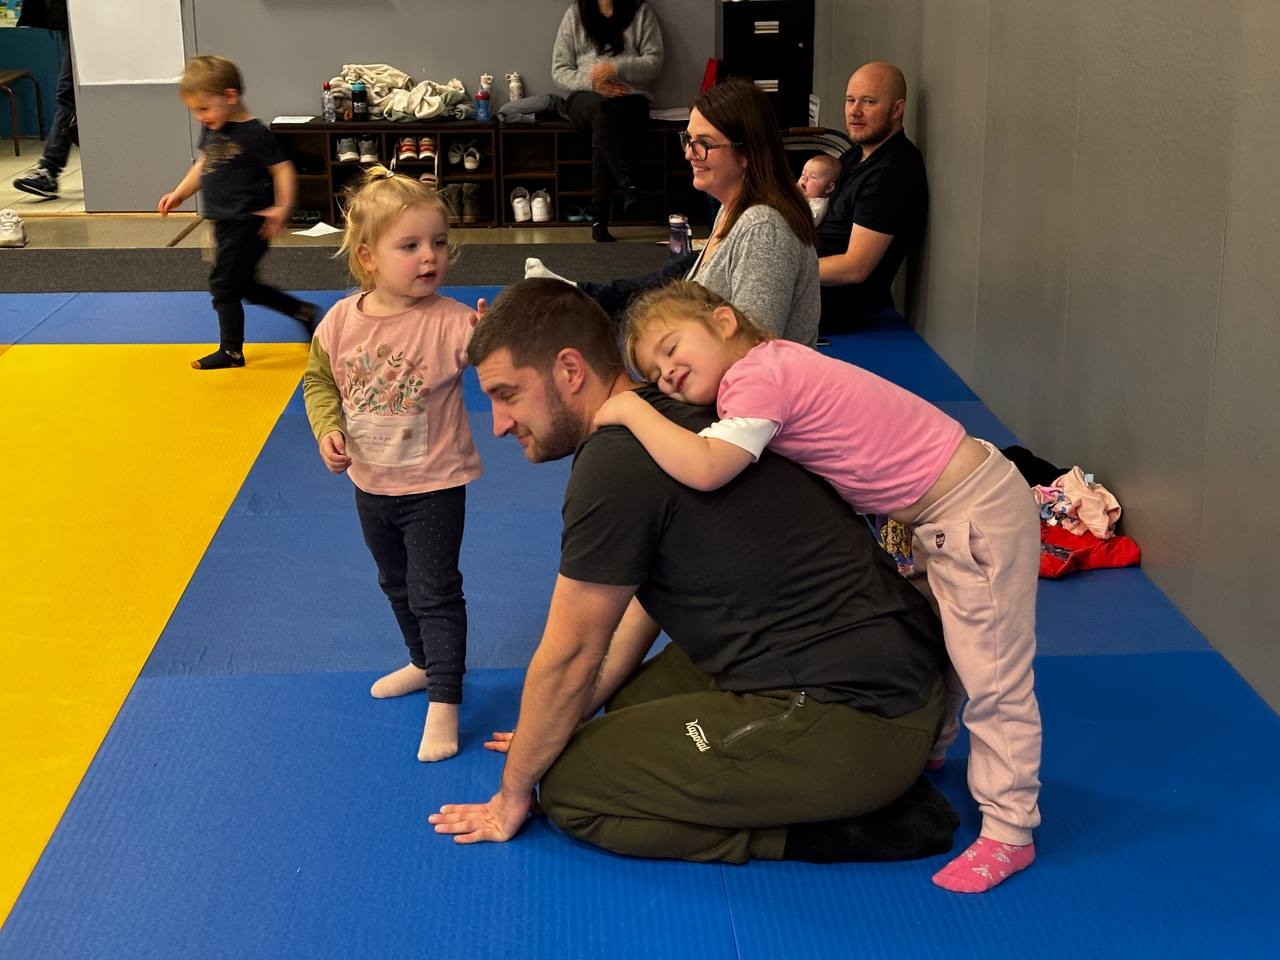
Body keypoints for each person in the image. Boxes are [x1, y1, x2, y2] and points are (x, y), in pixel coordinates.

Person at [428, 277, 959, 866]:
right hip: (887, 663)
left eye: (508, 394)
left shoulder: (614, 466)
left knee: (570, 789)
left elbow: (573, 651)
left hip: (867, 717)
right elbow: (646, 596)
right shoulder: (676, 414)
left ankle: (848, 828)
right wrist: (561, 717)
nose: (499, 423)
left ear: (569, 370)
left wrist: (511, 793)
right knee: (617, 710)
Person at [593, 280, 1042, 893]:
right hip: (932, 517)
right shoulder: (773, 364)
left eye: (673, 350)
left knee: (993, 673)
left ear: (724, 322)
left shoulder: (755, 378)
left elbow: (705, 467)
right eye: (655, 374)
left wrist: (630, 408)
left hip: (972, 511)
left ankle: (1010, 829)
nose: (668, 374)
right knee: (936, 638)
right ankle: (933, 748)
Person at [302, 167, 481, 763]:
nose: (430, 257)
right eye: (410, 246)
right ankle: (421, 660)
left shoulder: (451, 323)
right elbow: (319, 380)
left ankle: (445, 699)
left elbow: (498, 360)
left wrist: (494, 337)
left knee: (435, 591)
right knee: (394, 583)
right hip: (370, 484)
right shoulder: (338, 323)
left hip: (434, 485)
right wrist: (328, 428)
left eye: (438, 243)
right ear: (367, 257)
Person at [528, 78, 820, 346]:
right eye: (688, 139)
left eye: (704, 144)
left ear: (747, 153)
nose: (688, 154)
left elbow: (756, 351)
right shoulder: (733, 210)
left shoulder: (764, 228)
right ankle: (580, 303)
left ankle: (579, 304)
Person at [156, 55, 318, 370]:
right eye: (194, 111)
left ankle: (231, 352)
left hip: (248, 222)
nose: (200, 117)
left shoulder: (254, 134)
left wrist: (282, 207)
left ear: (230, 96)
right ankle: (302, 311)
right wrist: (180, 192)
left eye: (204, 108)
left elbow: (282, 170)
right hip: (224, 222)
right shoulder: (215, 127)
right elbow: (203, 165)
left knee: (223, 284)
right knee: (243, 285)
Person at [818, 61, 928, 334]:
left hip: (833, 306)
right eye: (850, 100)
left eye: (868, 102)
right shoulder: (856, 155)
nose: (855, 111)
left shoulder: (892, 173)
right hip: (807, 285)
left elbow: (855, 267)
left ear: (897, 109)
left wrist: (782, 271)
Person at [552, 0, 664, 243]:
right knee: (600, 109)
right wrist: (593, 83)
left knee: (603, 121)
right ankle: (626, 183)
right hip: (584, 98)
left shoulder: (641, 12)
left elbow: (654, 63)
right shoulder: (575, 15)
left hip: (629, 99)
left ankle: (599, 221)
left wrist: (615, 67)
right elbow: (560, 70)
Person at [11, 0, 77, 200]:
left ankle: (49, 169)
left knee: (69, 95)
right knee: (71, 96)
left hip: (90, 17)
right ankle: (50, 169)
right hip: (75, 18)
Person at [798, 153, 841, 225]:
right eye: (803, 174)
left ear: (829, 188)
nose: (804, 178)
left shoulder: (819, 204)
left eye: (813, 177)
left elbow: (807, 223)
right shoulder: (800, 191)